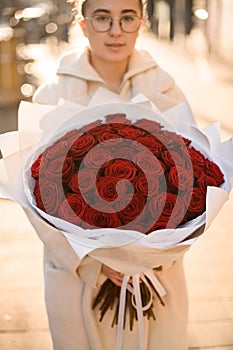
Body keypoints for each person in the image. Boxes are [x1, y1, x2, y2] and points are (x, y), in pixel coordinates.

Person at [31, 0, 190, 349]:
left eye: (127, 18)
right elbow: (34, 195)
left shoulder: (166, 91)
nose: (115, 31)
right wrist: (93, 261)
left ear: (142, 23)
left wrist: (153, 251)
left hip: (154, 272)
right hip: (78, 275)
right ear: (84, 24)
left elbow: (192, 179)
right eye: (102, 18)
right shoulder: (53, 96)